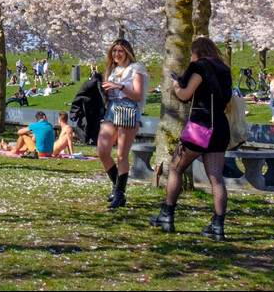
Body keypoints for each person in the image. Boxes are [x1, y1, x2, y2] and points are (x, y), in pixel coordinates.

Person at [149, 36, 232, 240]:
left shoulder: (199, 67)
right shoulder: (224, 69)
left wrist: (176, 85)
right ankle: (218, 226)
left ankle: (167, 214)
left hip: (201, 126)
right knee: (216, 178)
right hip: (220, 126)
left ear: (197, 52)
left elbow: (186, 94)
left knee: (176, 168)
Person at [98, 38, 148, 210]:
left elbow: (138, 95)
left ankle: (120, 193)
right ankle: (116, 185)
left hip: (128, 110)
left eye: (120, 51)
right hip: (111, 109)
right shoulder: (111, 70)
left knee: (121, 154)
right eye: (114, 51)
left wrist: (119, 86)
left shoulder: (136, 69)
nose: (116, 54)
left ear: (127, 52)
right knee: (103, 151)